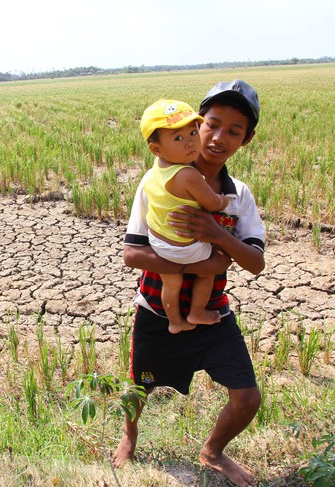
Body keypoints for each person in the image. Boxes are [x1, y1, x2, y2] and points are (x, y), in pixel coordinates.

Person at [113, 80, 266, 487]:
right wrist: (199, 266)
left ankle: (213, 451)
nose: (218, 138)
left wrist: (216, 233)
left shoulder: (239, 196)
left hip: (213, 316)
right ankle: (130, 436)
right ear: (195, 125)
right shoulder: (157, 185)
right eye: (211, 125)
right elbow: (132, 254)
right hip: (156, 313)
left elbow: (255, 263)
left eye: (234, 131)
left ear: (245, 140)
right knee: (139, 389)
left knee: (247, 397)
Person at [139, 99, 231, 334]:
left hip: (160, 243)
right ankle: (196, 312)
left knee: (171, 283)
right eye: (178, 138)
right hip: (184, 248)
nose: (190, 141)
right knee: (208, 271)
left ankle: (175, 322)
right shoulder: (188, 174)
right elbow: (211, 203)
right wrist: (223, 200)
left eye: (193, 131)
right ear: (156, 149)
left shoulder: (155, 171)